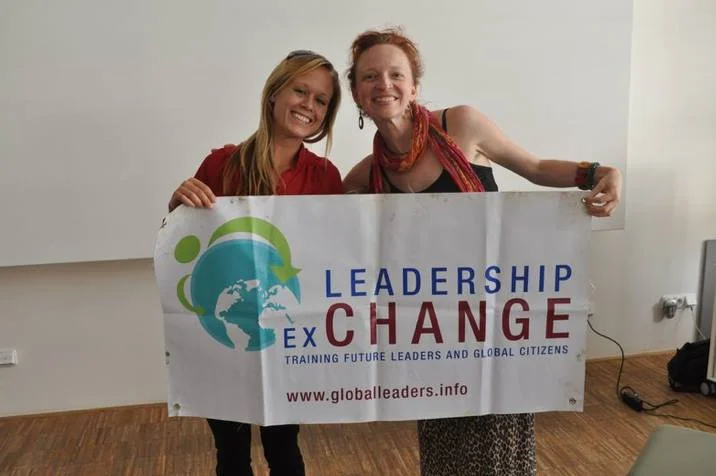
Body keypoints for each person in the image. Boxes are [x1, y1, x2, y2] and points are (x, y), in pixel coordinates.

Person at [343, 27, 622, 476]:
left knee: (498, 443)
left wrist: (599, 173)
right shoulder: (368, 175)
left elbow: (534, 167)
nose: (383, 85)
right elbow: (324, 222)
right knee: (443, 442)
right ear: (357, 93)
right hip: (433, 330)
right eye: (370, 77)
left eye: (396, 74)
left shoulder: (462, 125)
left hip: (492, 316)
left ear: (414, 86)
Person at [168, 50, 343, 476]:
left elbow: (333, 257)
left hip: (287, 338)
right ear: (274, 93)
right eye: (300, 90)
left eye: (321, 100)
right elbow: (182, 247)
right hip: (223, 334)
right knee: (230, 453)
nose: (309, 105)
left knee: (284, 447)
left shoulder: (325, 177)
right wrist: (177, 206)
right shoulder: (221, 163)